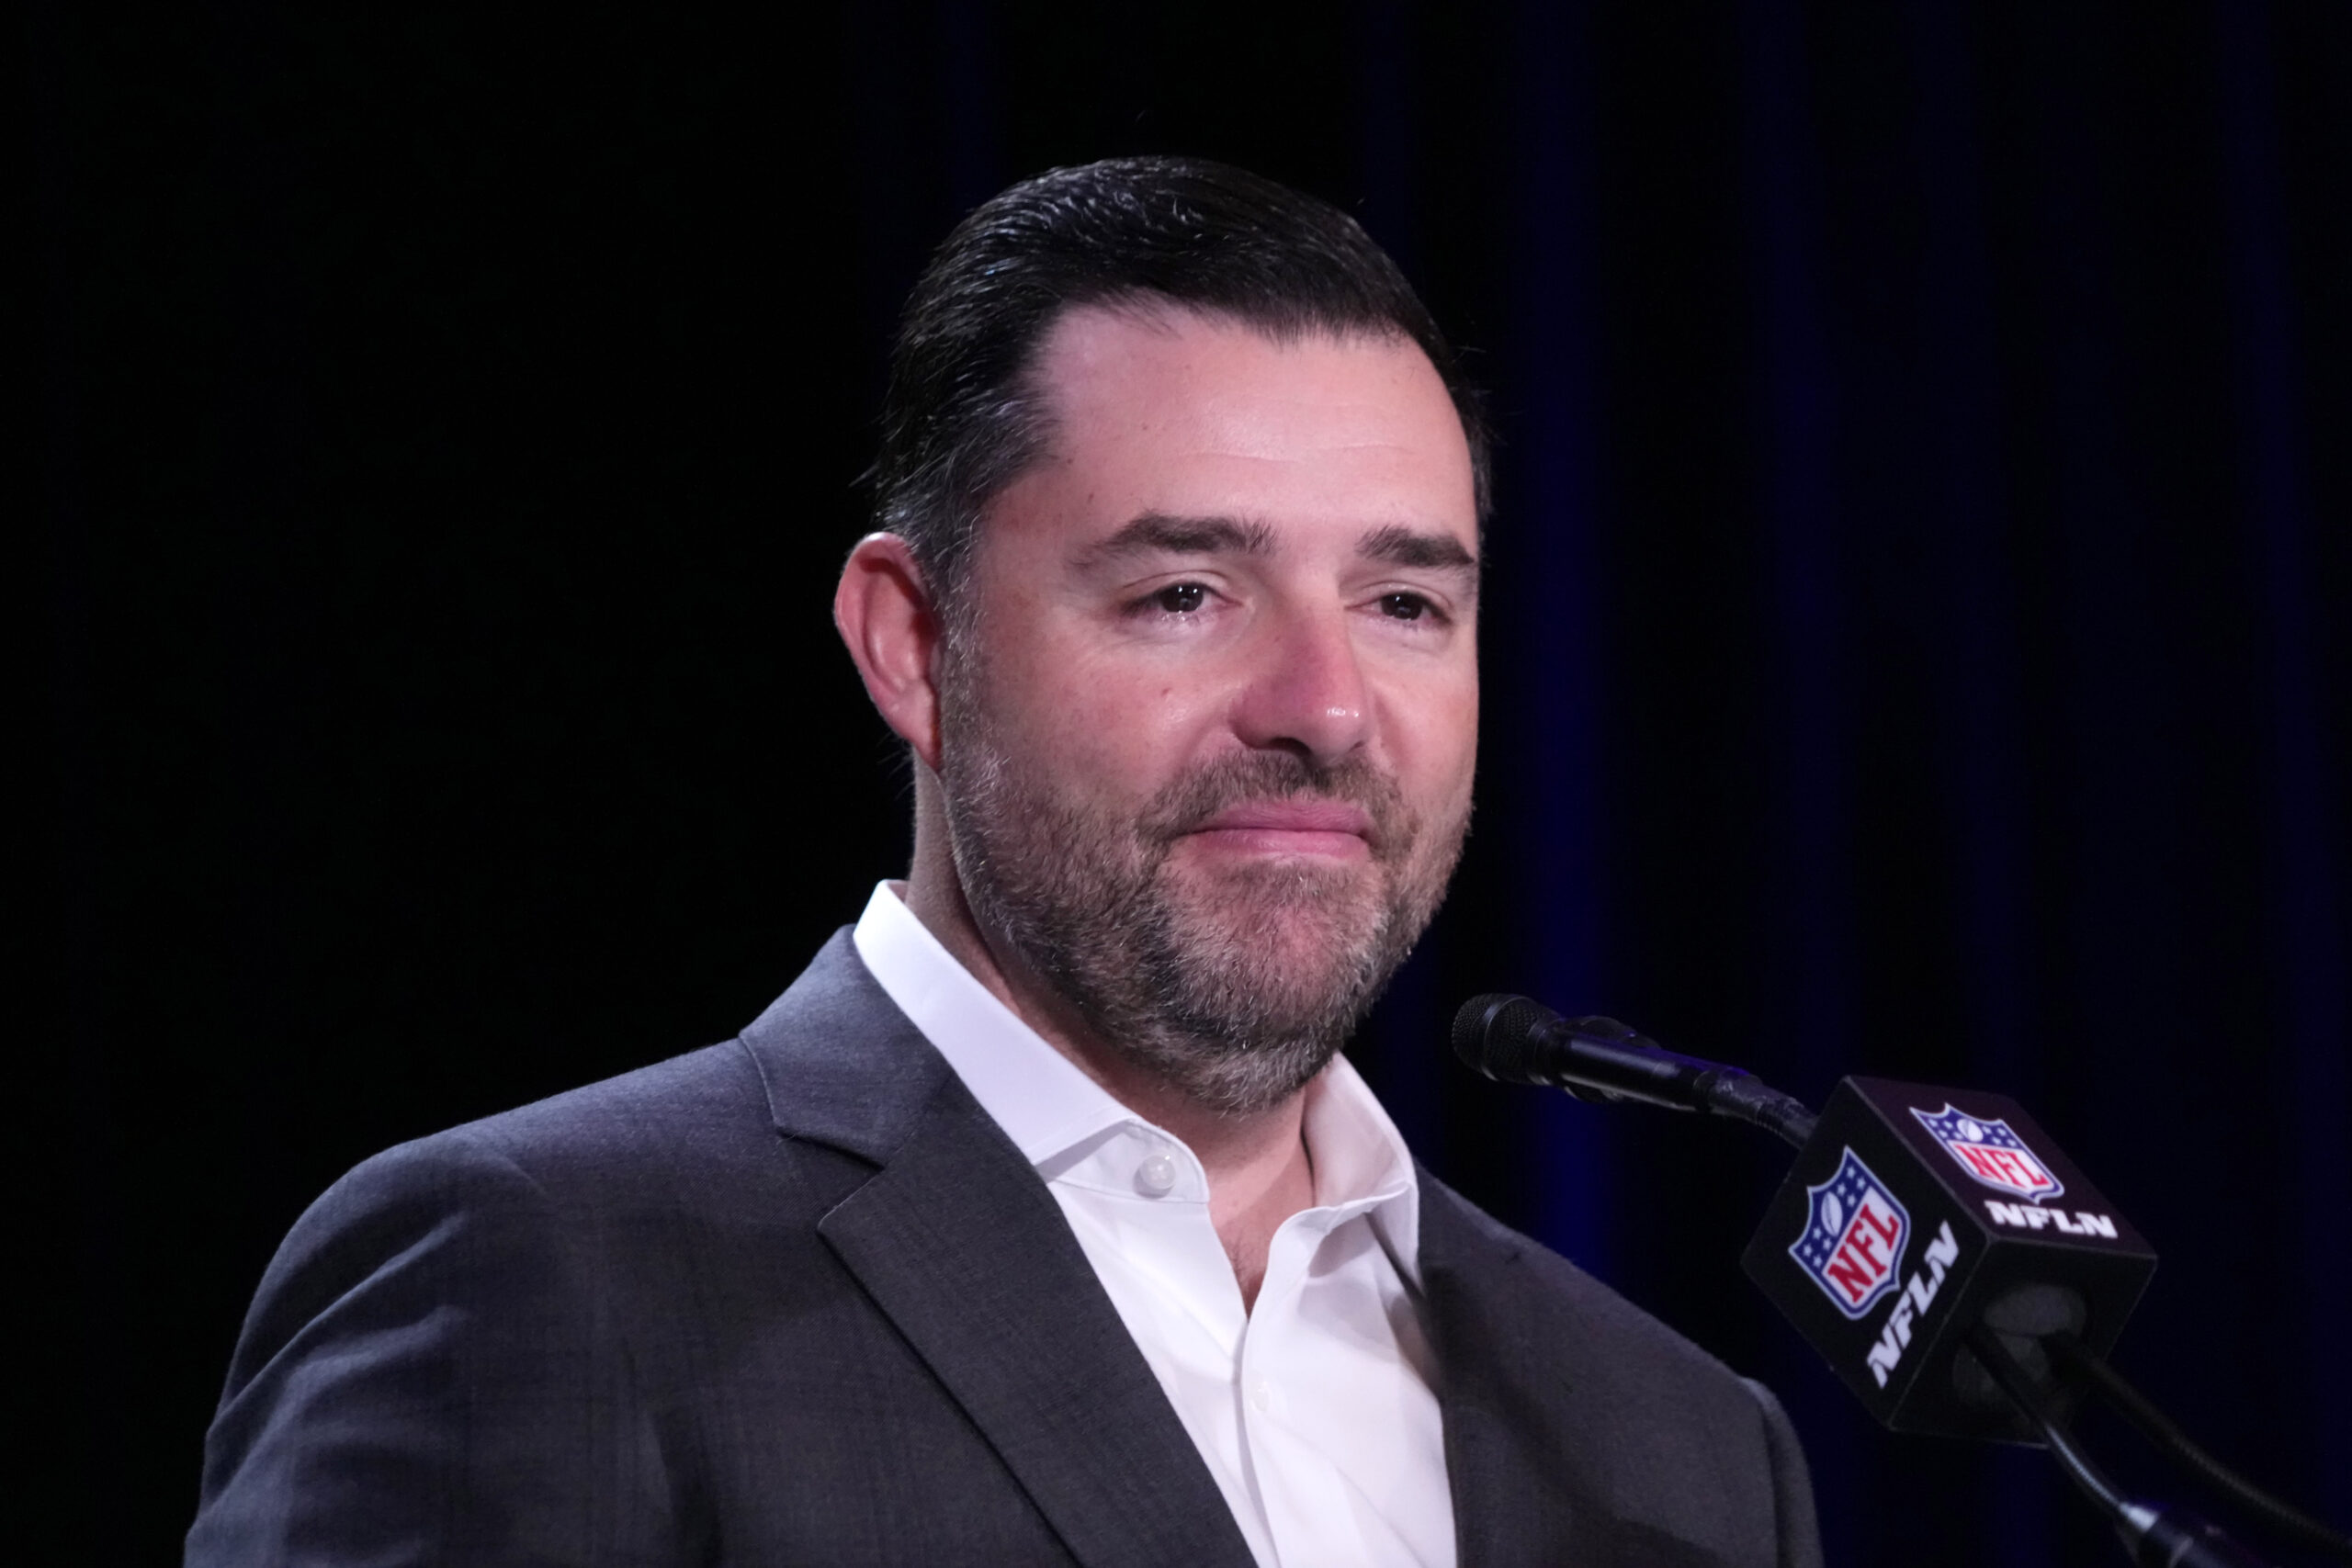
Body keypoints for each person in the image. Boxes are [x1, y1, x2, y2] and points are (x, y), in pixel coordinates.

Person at [187, 156, 1822, 1568]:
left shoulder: (1681, 1450)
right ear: (914, 644)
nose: (1326, 708)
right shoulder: (539, 1281)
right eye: (1184, 594)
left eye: (1405, 605)